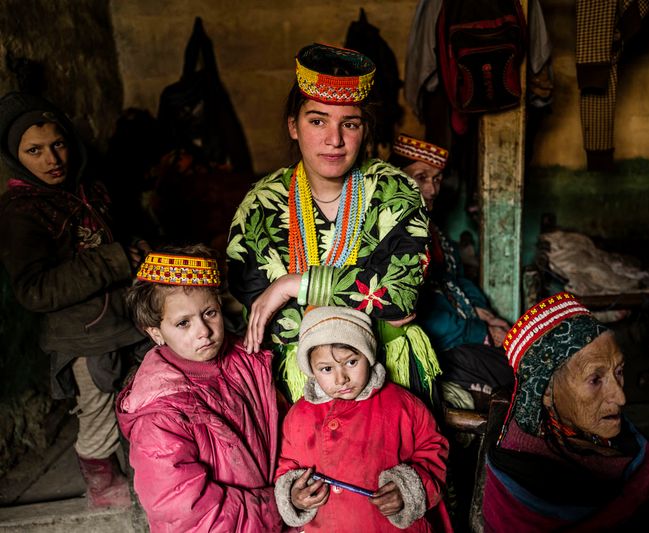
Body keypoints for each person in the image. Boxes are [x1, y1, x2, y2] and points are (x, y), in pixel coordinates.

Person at [227, 44, 441, 407]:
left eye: (350, 124)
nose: (334, 139)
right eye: (317, 120)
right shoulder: (260, 203)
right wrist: (368, 298)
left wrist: (294, 284)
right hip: (297, 386)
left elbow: (401, 295)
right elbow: (265, 313)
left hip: (389, 378)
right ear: (293, 126)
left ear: (365, 129)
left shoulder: (395, 191)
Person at [0, 92, 147, 508]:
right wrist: (114, 260)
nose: (52, 159)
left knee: (143, 401)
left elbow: (110, 240)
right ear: (16, 156)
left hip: (124, 322)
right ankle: (103, 487)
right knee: (98, 412)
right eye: (34, 151)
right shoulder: (20, 212)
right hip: (82, 339)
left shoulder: (88, 189)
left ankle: (150, 471)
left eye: (58, 144)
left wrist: (134, 251)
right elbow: (36, 289)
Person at [482, 292, 649, 531]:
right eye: (595, 379)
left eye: (619, 372)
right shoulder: (522, 481)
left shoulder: (598, 429)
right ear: (546, 391)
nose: (621, 397)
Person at [116, 246, 283, 532]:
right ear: (156, 332)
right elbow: (188, 513)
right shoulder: (159, 416)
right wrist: (277, 505)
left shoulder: (249, 360)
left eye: (209, 313)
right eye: (183, 323)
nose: (203, 331)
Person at [274, 306, 451, 532]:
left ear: (367, 355)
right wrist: (294, 496)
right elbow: (286, 466)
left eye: (351, 362)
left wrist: (406, 489)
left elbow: (434, 451)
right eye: (326, 369)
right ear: (312, 370)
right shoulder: (298, 416)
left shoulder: (403, 404)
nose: (341, 379)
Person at [389, 134, 514, 404]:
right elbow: (416, 313)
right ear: (396, 179)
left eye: (436, 178)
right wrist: (480, 332)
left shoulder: (434, 232)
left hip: (462, 332)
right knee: (514, 377)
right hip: (440, 346)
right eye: (421, 177)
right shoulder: (392, 235)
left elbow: (456, 277)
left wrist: (484, 312)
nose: (432, 189)